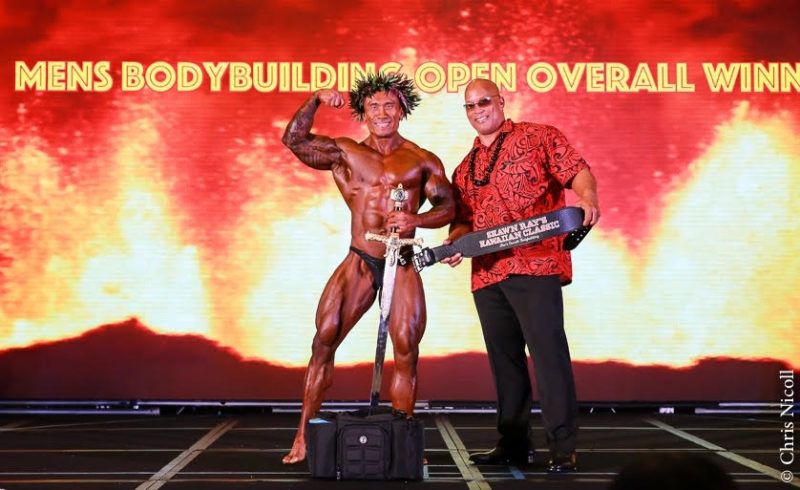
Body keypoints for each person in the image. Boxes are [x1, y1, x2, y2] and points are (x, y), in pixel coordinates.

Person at [280, 72, 455, 464]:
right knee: (324, 338)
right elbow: (294, 140)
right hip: (361, 257)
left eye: (389, 105)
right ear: (362, 112)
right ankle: (303, 437)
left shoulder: (422, 159)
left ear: (402, 109)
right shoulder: (345, 153)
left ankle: (404, 444)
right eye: (373, 106)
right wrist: (315, 99)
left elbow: (448, 207)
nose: (382, 112)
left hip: (401, 259)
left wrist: (416, 220)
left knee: (406, 348)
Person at [442, 78, 600, 473]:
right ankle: (514, 445)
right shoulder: (464, 169)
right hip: (487, 275)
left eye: (484, 101)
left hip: (536, 265)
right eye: (470, 105)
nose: (478, 110)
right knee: (505, 363)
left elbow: (578, 171)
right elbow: (462, 222)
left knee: (548, 357)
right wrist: (454, 243)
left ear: (501, 101)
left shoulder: (540, 137)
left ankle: (562, 447)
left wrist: (587, 197)